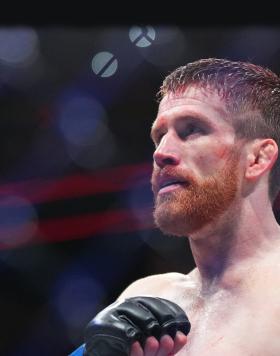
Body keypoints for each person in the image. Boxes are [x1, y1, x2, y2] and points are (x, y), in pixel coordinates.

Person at [72, 58, 280, 355]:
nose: (162, 153)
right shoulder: (144, 298)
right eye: (159, 137)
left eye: (192, 130)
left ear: (257, 159)